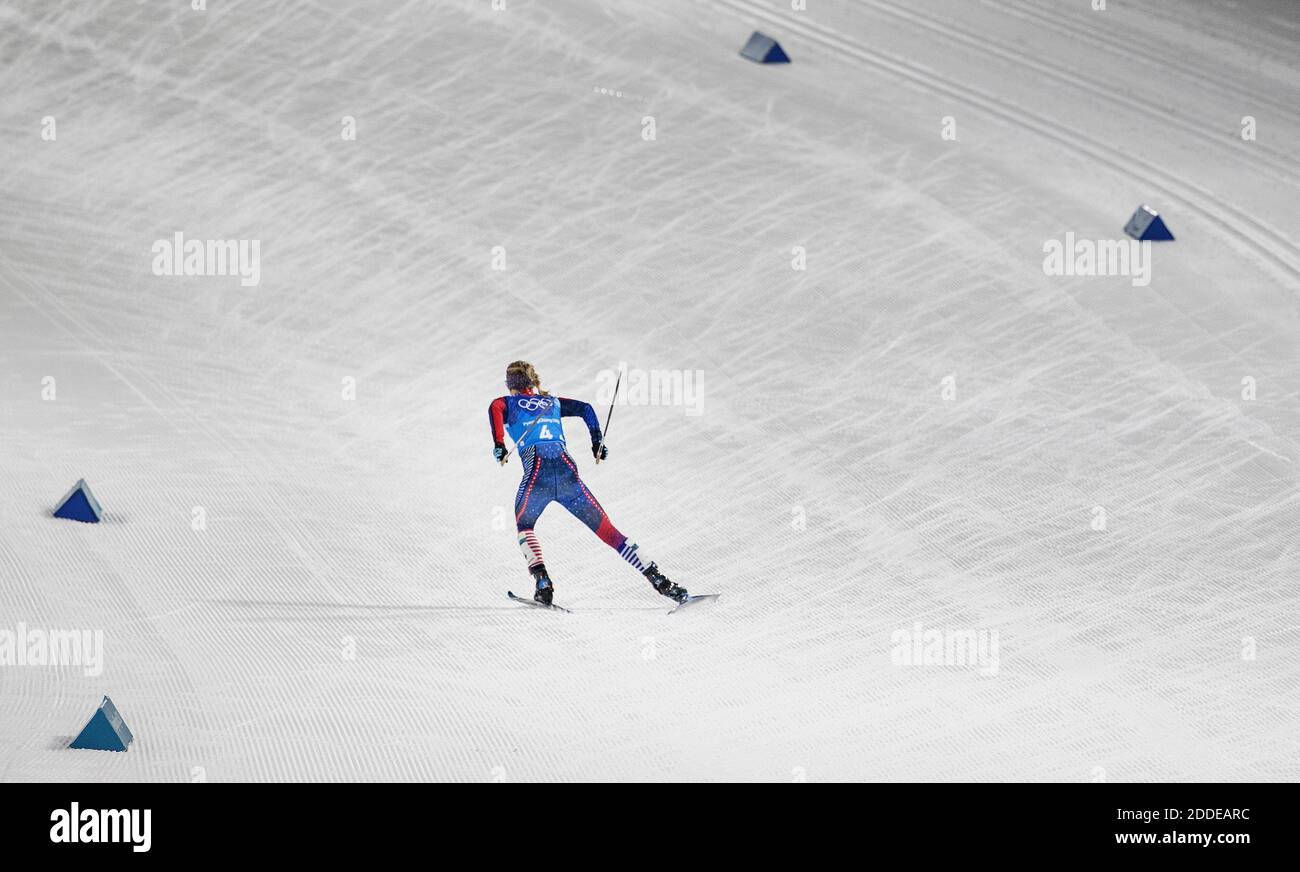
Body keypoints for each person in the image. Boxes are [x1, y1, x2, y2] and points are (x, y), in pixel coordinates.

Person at [488, 360, 687, 605]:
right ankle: (663, 582)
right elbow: (586, 409)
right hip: (568, 474)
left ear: (510, 385)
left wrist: (499, 445)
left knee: (525, 525)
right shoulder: (553, 403)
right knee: (610, 533)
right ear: (532, 381)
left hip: (537, 476)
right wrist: (597, 442)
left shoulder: (504, 403)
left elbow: (495, 412)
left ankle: (543, 583)